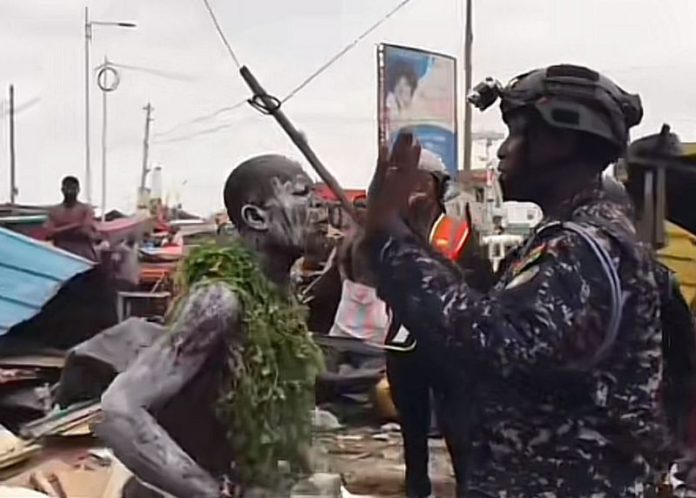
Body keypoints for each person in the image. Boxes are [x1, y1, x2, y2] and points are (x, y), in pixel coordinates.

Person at [364, 64, 667, 496]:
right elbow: (493, 312)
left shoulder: (585, 244)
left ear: (559, 141)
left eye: (516, 134)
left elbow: (496, 344)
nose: (503, 151)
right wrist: (407, 240)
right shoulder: (573, 234)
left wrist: (390, 241)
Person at [95, 154, 318, 498]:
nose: (319, 208)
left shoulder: (280, 297)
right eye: (303, 193)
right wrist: (206, 491)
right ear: (256, 217)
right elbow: (118, 410)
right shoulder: (220, 299)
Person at [383, 149, 493, 498]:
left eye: (421, 180)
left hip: (450, 347)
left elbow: (481, 283)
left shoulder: (458, 234)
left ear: (437, 187)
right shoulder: (392, 234)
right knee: (412, 430)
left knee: (458, 428)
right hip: (404, 344)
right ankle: (417, 489)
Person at [44, 176, 97, 261]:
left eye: (73, 188)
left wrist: (60, 230)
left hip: (83, 254)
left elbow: (85, 230)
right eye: (67, 188)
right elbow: (48, 232)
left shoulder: (85, 209)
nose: (70, 191)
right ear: (62, 190)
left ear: (78, 190)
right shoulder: (55, 210)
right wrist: (77, 224)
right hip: (61, 253)